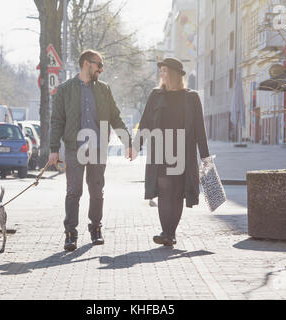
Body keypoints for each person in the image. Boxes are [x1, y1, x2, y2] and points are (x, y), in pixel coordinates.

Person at [48, 50, 135, 252]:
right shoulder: (65, 90)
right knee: (73, 191)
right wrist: (53, 149)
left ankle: (96, 228)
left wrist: (128, 142)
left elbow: (115, 117)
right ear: (86, 64)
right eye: (99, 65)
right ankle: (70, 233)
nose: (101, 69)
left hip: (98, 148)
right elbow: (57, 121)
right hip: (73, 148)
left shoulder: (104, 90)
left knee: (97, 191)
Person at [134, 57, 210, 246]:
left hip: (183, 153)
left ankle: (170, 233)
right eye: (161, 71)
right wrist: (136, 146)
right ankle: (166, 232)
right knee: (164, 190)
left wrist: (205, 156)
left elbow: (200, 128)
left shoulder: (191, 97)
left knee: (176, 193)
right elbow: (145, 123)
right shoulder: (156, 95)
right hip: (160, 151)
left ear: (176, 74)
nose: (162, 74)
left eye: (166, 71)